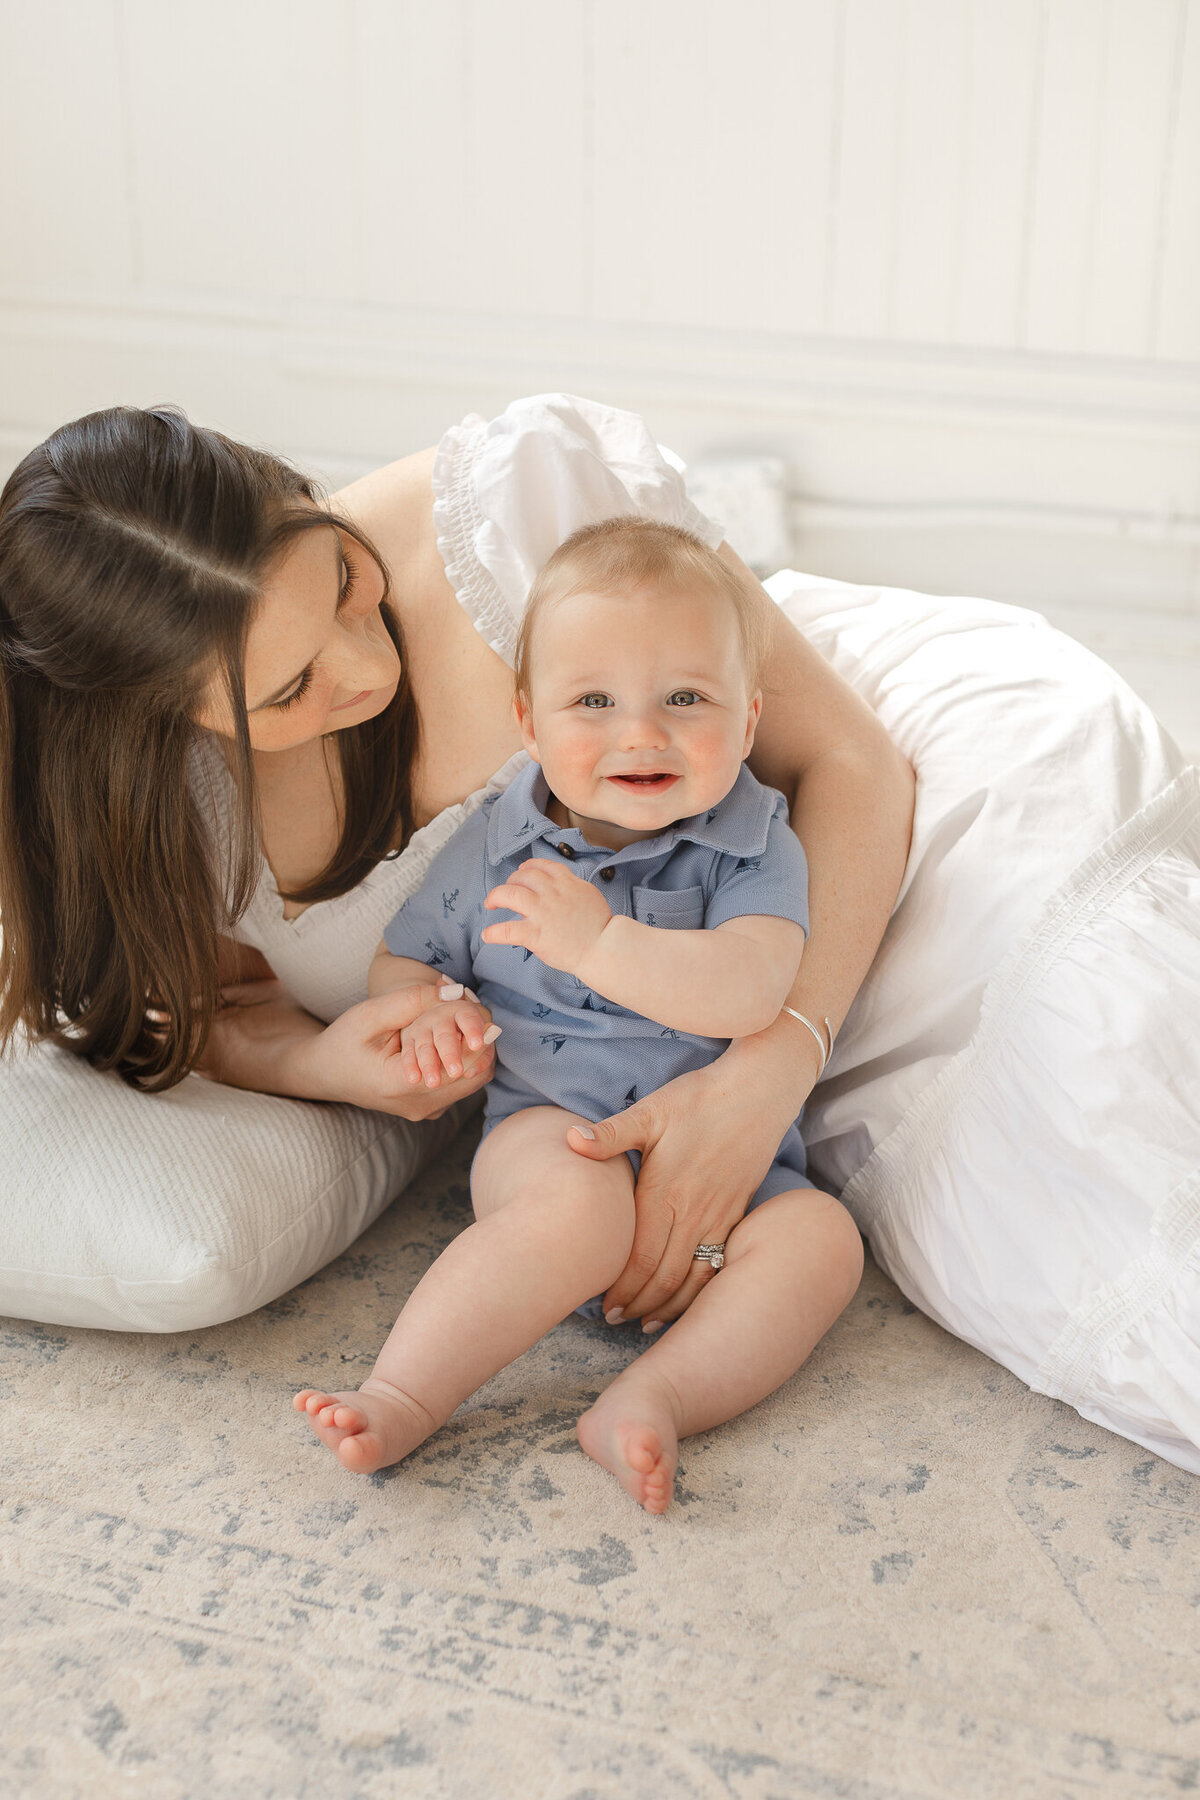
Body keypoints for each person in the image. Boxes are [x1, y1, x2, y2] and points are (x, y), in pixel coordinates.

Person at [0, 394, 914, 1332]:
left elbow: (851, 763)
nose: (366, 669)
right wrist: (323, 1066)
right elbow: (206, 1015)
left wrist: (767, 1080)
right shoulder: (154, 804)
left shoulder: (530, 503)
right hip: (544, 1129)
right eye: (290, 691)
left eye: (346, 581)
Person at [294, 518, 863, 1512]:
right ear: (528, 720)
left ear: (749, 715)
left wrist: (601, 947)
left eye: (686, 699)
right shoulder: (498, 841)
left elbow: (752, 988)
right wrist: (424, 1014)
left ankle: (651, 1401)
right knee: (573, 1203)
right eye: (592, 701)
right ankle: (402, 1393)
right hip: (554, 1135)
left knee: (824, 1245)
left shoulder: (754, 840)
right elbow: (407, 961)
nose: (641, 732)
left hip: (739, 1175)